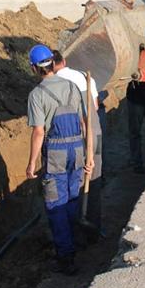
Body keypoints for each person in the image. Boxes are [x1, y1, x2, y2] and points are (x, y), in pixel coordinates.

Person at [26, 44, 92, 275]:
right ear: (53, 63)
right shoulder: (73, 87)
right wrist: (88, 153)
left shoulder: (37, 95)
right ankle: (75, 242)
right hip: (77, 150)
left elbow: (38, 132)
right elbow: (85, 122)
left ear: (35, 68)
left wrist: (32, 163)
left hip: (55, 155)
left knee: (56, 205)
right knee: (72, 199)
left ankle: (66, 257)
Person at [50, 50, 103, 240]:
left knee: (76, 182)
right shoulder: (84, 76)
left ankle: (76, 230)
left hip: (77, 137)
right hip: (96, 134)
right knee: (94, 178)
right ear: (64, 61)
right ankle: (94, 227)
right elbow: (95, 107)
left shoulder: (55, 84)